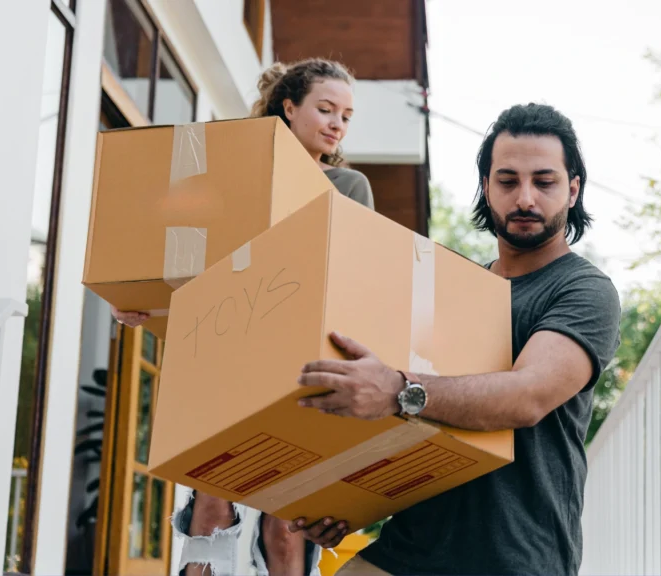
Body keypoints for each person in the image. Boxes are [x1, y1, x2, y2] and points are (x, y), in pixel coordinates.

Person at [292, 103, 622, 576]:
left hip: (513, 555)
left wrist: (396, 389)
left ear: (572, 191)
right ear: (487, 189)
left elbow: (525, 396)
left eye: (544, 182)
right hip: (411, 541)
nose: (525, 197)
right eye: (507, 181)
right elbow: (394, 409)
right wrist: (343, 499)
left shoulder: (584, 290)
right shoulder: (452, 286)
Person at [111, 57, 374, 576]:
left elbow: (355, 281)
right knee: (211, 508)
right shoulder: (232, 180)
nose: (337, 123)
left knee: (284, 525)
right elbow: (202, 271)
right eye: (325, 108)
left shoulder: (348, 186)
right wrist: (145, 301)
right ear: (289, 106)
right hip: (223, 359)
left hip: (303, 367)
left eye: (346, 115)